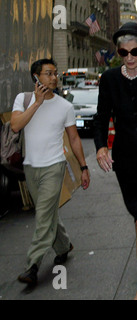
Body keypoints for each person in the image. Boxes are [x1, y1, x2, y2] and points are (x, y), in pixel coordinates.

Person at [93, 22, 137, 300]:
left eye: (135, 51)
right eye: (124, 53)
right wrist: (101, 147)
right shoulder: (110, 79)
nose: (130, 57)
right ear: (118, 53)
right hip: (126, 162)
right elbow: (102, 117)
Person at [12, 58, 90, 285]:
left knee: (43, 215)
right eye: (49, 73)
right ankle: (64, 245)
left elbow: (74, 139)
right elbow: (16, 125)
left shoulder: (64, 106)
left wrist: (84, 167)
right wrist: (36, 103)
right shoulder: (23, 99)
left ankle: (32, 266)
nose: (54, 77)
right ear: (36, 77)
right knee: (48, 214)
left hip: (54, 167)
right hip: (30, 167)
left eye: (55, 73)